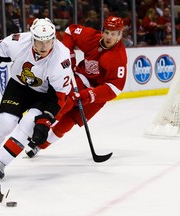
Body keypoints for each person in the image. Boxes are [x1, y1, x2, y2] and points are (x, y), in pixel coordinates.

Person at [0, 18, 73, 179]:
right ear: (32, 38)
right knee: (5, 122)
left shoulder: (61, 59)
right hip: (18, 87)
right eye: (39, 41)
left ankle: (1, 162)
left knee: (28, 124)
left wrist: (46, 120)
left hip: (44, 95)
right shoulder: (18, 41)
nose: (43, 46)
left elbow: (58, 97)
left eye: (48, 41)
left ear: (54, 39)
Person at [25, 16, 128, 158]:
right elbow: (70, 31)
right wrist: (70, 58)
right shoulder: (91, 37)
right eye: (107, 32)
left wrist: (88, 95)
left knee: (71, 121)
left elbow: (114, 88)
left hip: (98, 93)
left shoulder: (118, 58)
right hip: (81, 78)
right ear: (102, 31)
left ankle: (40, 145)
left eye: (114, 34)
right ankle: (40, 128)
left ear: (120, 35)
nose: (109, 37)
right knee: (66, 102)